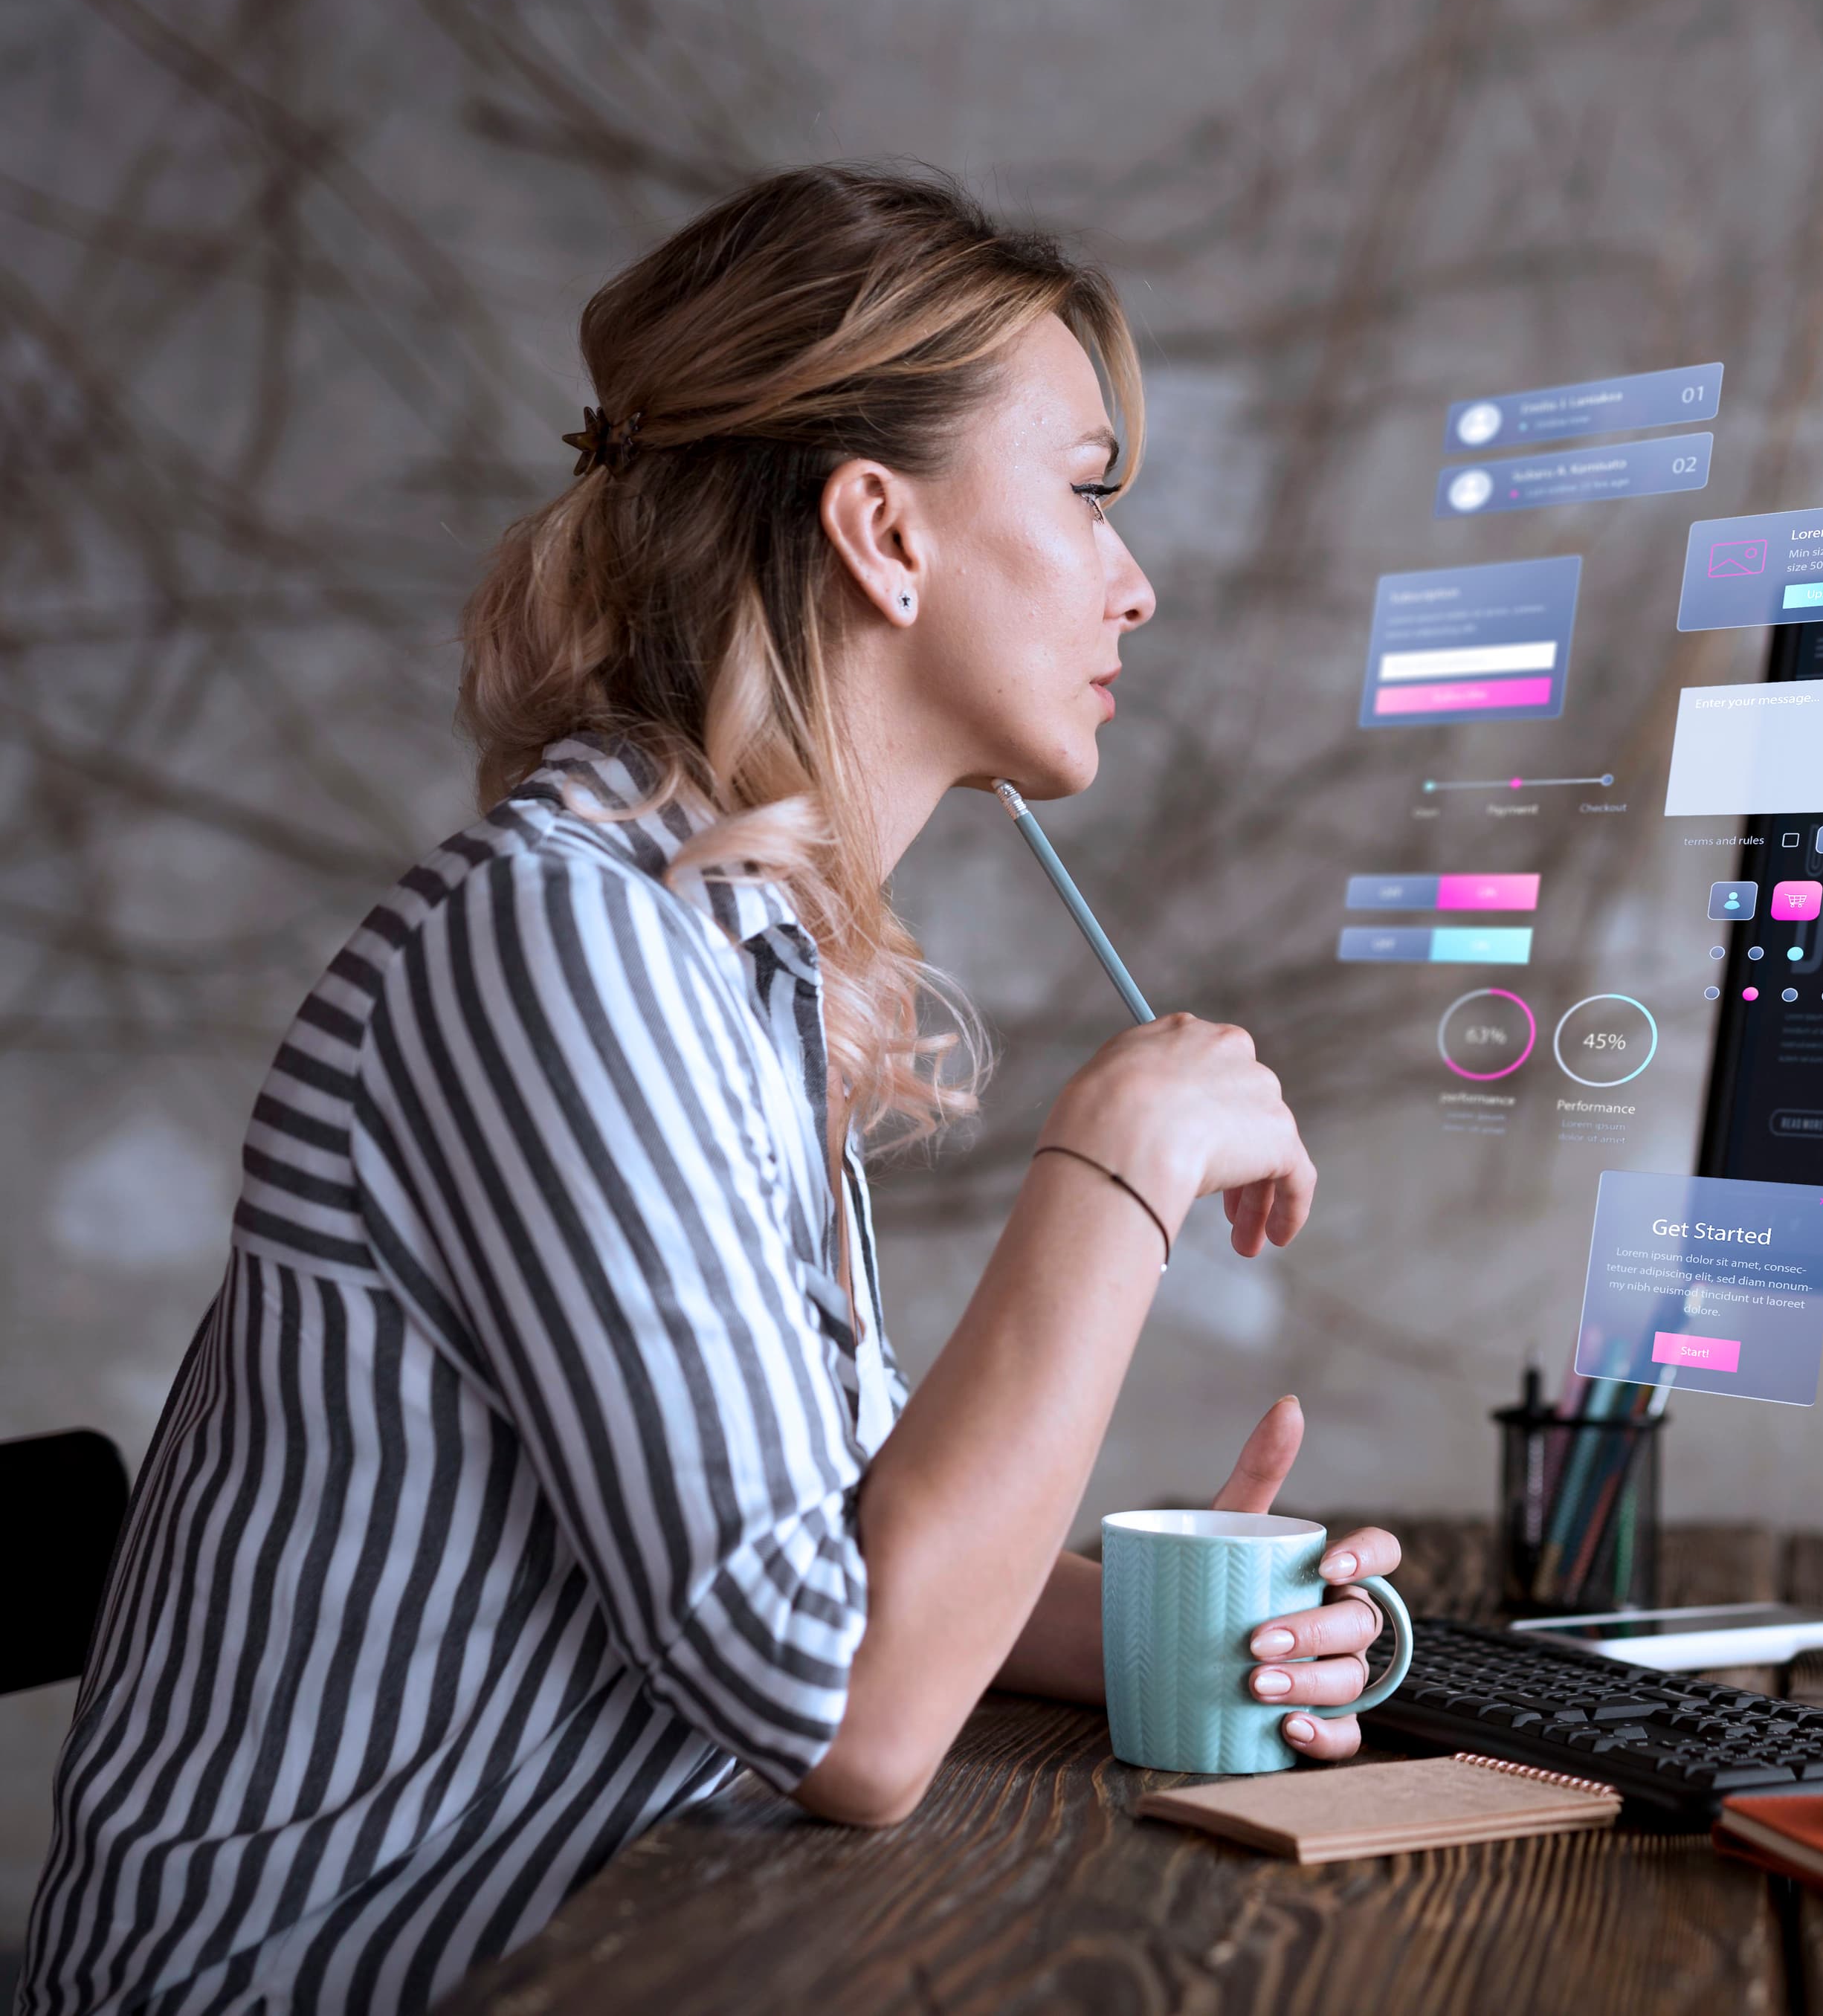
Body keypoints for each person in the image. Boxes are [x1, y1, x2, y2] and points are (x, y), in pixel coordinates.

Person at [19, 164, 1398, 2016]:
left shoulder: (728, 955)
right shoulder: (564, 942)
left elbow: (828, 1562)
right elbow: (849, 1716)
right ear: (883, 534)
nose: (1133, 583)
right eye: (1087, 493)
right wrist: (1118, 1161)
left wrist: (1190, 1633)